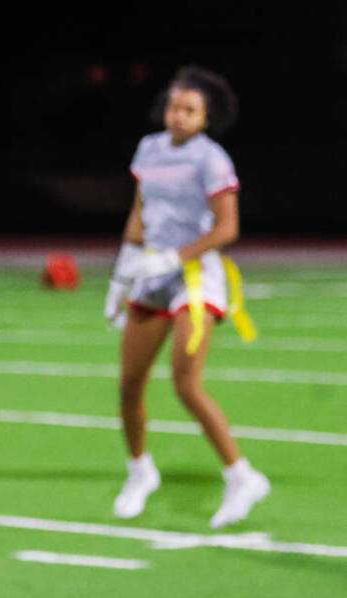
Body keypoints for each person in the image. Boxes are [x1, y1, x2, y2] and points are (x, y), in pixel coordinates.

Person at [104, 65, 269, 529]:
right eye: (175, 107)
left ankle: (241, 475)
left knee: (184, 382)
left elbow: (227, 228)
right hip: (151, 272)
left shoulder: (211, 159)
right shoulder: (149, 148)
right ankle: (140, 471)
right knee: (129, 384)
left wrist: (175, 259)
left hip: (196, 276)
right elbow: (139, 215)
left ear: (207, 116)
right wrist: (121, 277)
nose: (179, 116)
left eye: (190, 110)